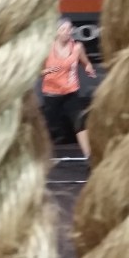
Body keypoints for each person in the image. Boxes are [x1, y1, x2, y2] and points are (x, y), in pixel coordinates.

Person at [41, 17, 96, 158]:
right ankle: (38, 157)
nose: (67, 32)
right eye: (63, 29)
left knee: (79, 123)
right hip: (52, 94)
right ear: (57, 32)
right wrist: (47, 71)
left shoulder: (77, 47)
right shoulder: (47, 48)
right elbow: (37, 71)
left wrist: (88, 68)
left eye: (69, 29)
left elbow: (85, 62)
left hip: (71, 93)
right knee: (47, 127)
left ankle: (89, 157)